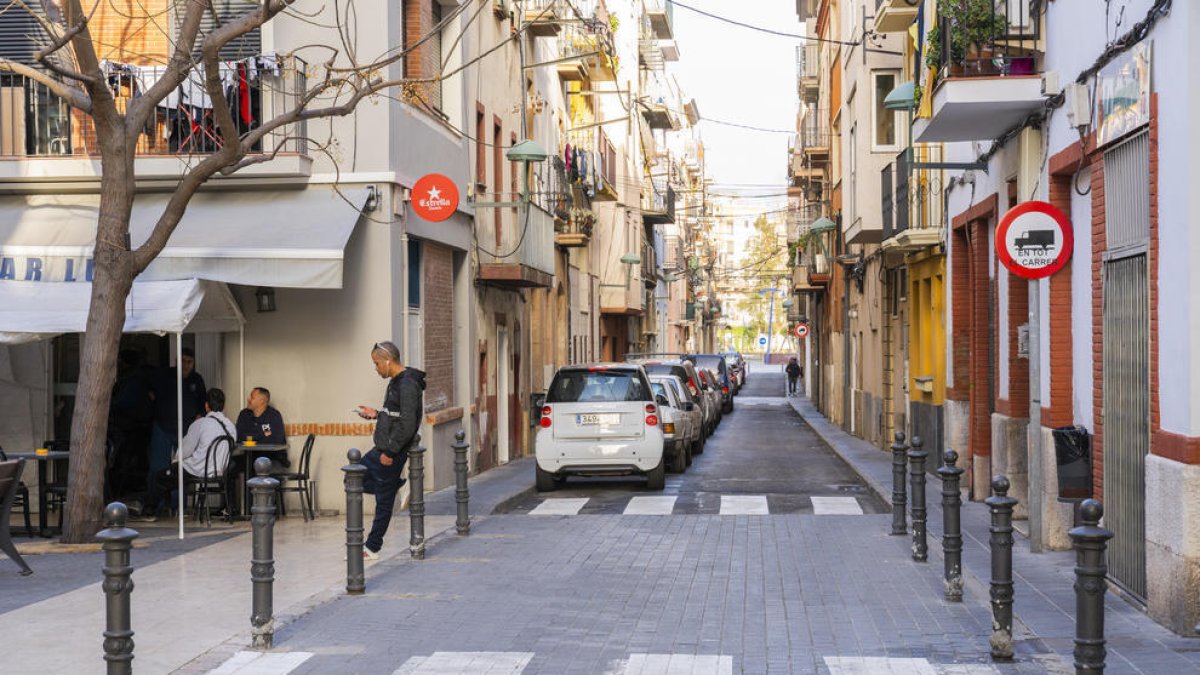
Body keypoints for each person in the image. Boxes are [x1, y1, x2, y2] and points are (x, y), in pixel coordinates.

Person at [354, 341, 425, 560]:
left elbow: (408, 424)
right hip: (384, 447)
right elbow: (396, 414)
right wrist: (376, 414)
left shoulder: (406, 384)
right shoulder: (396, 382)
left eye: (376, 364)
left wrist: (391, 452)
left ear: (388, 360)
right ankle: (395, 484)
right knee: (355, 478)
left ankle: (372, 548)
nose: (375, 369)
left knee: (380, 500)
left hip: (390, 451)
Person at [139, 388, 235, 522]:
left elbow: (185, 449)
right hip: (219, 472)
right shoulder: (231, 426)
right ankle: (173, 507)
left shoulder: (201, 424)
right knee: (172, 476)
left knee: (159, 477)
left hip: (197, 470)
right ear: (223, 405)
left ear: (206, 405)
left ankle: (150, 511)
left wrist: (175, 462)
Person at [142, 347, 207, 518]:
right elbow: (145, 383)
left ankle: (179, 508)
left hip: (186, 431)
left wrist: (198, 419)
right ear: (177, 361)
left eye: (189, 362)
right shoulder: (163, 375)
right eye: (183, 361)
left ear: (193, 363)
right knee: (158, 468)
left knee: (182, 469)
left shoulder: (197, 380)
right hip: (162, 427)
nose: (186, 365)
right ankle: (154, 506)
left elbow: (203, 405)